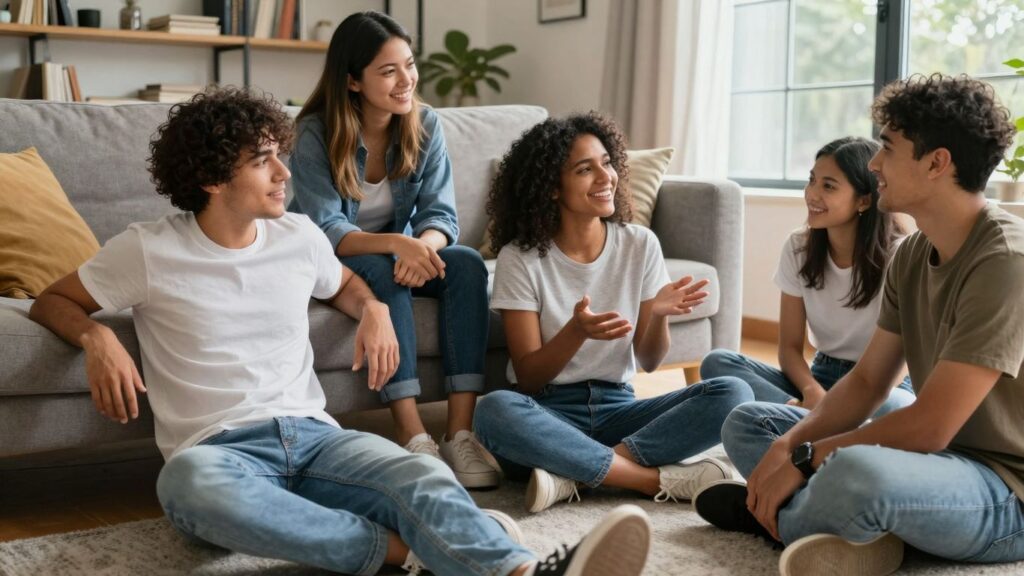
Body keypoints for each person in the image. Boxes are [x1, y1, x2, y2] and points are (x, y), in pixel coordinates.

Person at [27, 88, 655, 576]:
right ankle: (408, 549)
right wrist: (97, 337)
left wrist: (375, 309)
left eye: (280, 153)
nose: (283, 174)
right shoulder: (148, 250)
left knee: (423, 475)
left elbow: (347, 286)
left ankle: (517, 568)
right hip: (219, 451)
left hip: (317, 437)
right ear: (213, 180)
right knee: (184, 488)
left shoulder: (298, 237)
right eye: (262, 161)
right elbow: (52, 300)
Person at [694, 74, 1024, 576]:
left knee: (855, 467)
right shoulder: (914, 253)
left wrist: (806, 460)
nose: (874, 164)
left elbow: (932, 425)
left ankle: (775, 517)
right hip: (935, 464)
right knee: (752, 424)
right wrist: (789, 446)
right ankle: (854, 528)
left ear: (937, 163)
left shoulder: (1006, 260)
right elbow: (869, 381)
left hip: (1005, 490)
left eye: (887, 149)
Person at [473, 112, 754, 513]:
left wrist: (656, 315)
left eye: (607, 163)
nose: (605, 177)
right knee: (494, 411)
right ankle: (646, 480)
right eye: (585, 169)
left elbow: (650, 362)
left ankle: (572, 472)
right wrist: (576, 331)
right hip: (548, 412)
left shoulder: (639, 244)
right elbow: (531, 377)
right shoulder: (520, 257)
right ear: (552, 187)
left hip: (618, 406)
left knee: (733, 391)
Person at [288, 10, 496, 487]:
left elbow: (441, 217)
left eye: (409, 64)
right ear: (353, 81)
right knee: (381, 272)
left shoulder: (425, 125)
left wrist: (423, 247)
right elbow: (326, 229)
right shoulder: (316, 132)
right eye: (388, 71)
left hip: (396, 250)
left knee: (464, 263)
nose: (407, 80)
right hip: (331, 260)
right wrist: (399, 245)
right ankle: (411, 431)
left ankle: (460, 432)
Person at [700, 137, 915, 416]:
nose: (812, 194)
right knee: (717, 362)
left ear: (863, 200)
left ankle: (799, 421)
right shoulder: (798, 246)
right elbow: (789, 348)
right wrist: (812, 391)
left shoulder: (900, 255)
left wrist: (845, 401)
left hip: (880, 384)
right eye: (812, 181)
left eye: (828, 186)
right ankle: (809, 418)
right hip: (820, 377)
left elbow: (902, 363)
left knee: (896, 408)